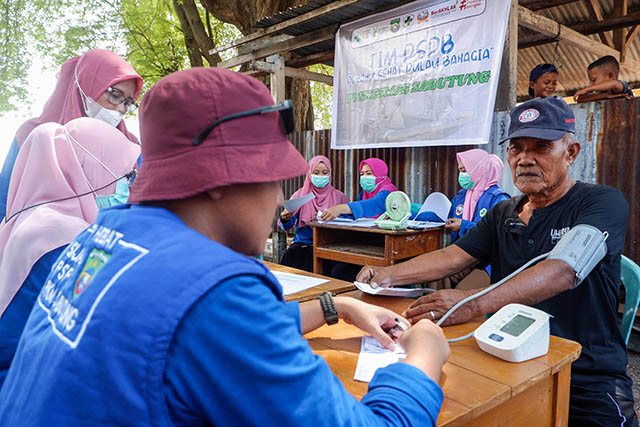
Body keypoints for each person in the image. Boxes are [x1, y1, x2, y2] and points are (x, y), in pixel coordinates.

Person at [0, 68, 451, 426]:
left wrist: (341, 308)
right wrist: (424, 353)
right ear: (218, 180)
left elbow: (202, 329)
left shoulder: (110, 232)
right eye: (272, 178)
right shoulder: (212, 285)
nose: (279, 199)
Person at [356, 96, 638, 426]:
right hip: (505, 356)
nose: (525, 159)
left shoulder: (601, 202)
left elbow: (564, 270)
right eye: (516, 148)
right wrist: (387, 275)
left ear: (570, 152)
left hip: (584, 372)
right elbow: (452, 257)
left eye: (541, 147)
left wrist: (472, 303)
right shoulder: (505, 213)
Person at [0, 117, 140, 387]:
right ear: (88, 170)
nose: (128, 186)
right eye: (125, 175)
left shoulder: (28, 218)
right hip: (22, 378)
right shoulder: (65, 235)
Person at [0, 48, 143, 219]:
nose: (120, 109)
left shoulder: (132, 149)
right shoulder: (33, 135)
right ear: (84, 87)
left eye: (127, 103)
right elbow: (4, 204)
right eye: (115, 96)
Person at [444, 149, 509, 289]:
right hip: (464, 256)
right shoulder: (461, 197)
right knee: (435, 276)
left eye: (465, 170)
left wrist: (464, 226)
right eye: (460, 170)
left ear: (478, 169)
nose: (461, 175)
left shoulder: (498, 199)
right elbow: (446, 220)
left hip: (488, 262)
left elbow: (497, 236)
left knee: (459, 295)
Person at [279, 155, 349, 272]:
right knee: (291, 258)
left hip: (330, 245)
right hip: (304, 244)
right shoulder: (300, 195)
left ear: (330, 174)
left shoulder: (339, 197)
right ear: (309, 174)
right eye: (316, 172)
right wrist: (285, 218)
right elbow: (287, 226)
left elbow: (350, 221)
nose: (320, 176)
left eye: (324, 172)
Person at [319, 157, 398, 221]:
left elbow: (374, 204)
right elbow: (356, 213)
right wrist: (337, 215)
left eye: (369, 173)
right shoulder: (365, 192)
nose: (364, 177)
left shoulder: (388, 190)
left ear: (380, 174)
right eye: (362, 174)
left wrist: (341, 208)